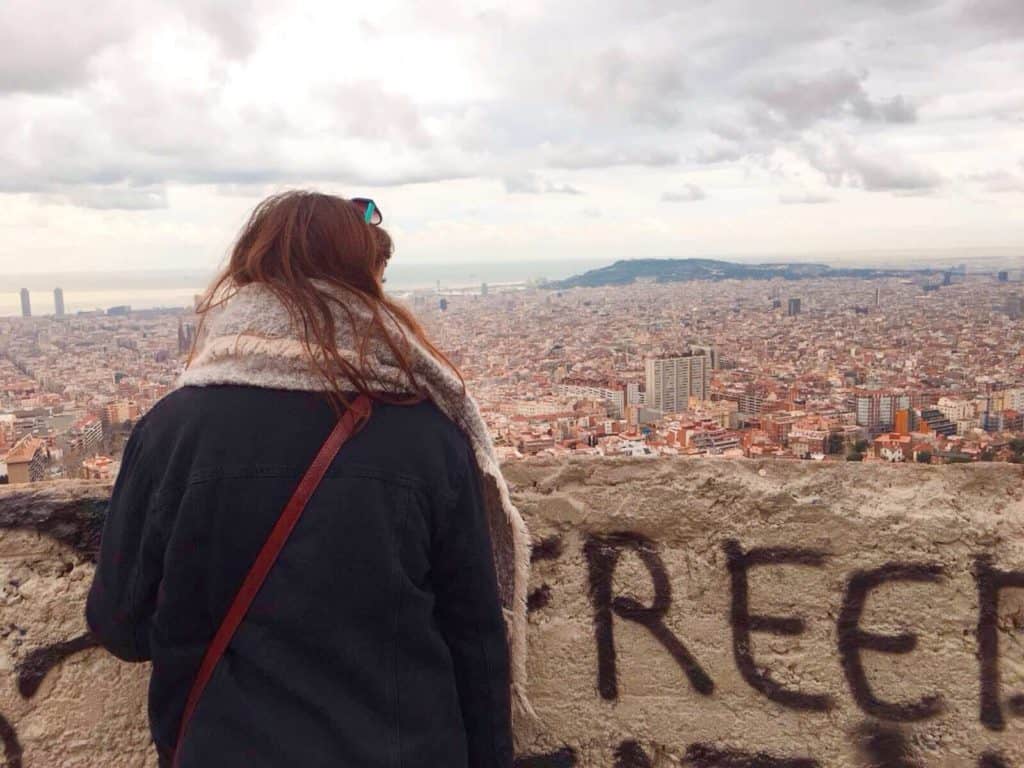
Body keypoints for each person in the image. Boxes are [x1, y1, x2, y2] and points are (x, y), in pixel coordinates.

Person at [85, 191, 532, 767]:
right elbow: (475, 639)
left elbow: (119, 626)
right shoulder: (428, 434)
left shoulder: (172, 431)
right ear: (365, 285)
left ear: (250, 278)